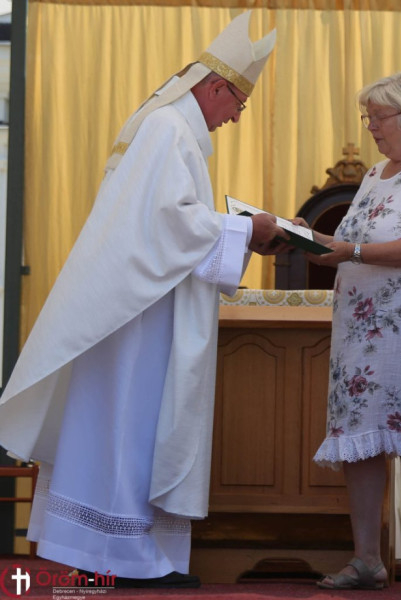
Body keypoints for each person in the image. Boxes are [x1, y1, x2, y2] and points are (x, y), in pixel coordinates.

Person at [0, 11, 286, 588]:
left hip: (141, 304)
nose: (236, 116)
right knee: (130, 427)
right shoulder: (168, 130)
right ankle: (124, 561)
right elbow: (168, 222)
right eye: (239, 103)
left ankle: (116, 557)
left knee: (122, 428)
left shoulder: (170, 128)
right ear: (215, 87)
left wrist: (246, 230)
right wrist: (246, 228)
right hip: (138, 316)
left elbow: (168, 222)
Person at [294, 73, 401, 593]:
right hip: (361, 326)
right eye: (367, 116)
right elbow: (346, 244)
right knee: (363, 437)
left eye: (377, 116)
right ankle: (367, 559)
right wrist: (297, 237)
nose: (369, 126)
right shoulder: (374, 174)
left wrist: (349, 251)